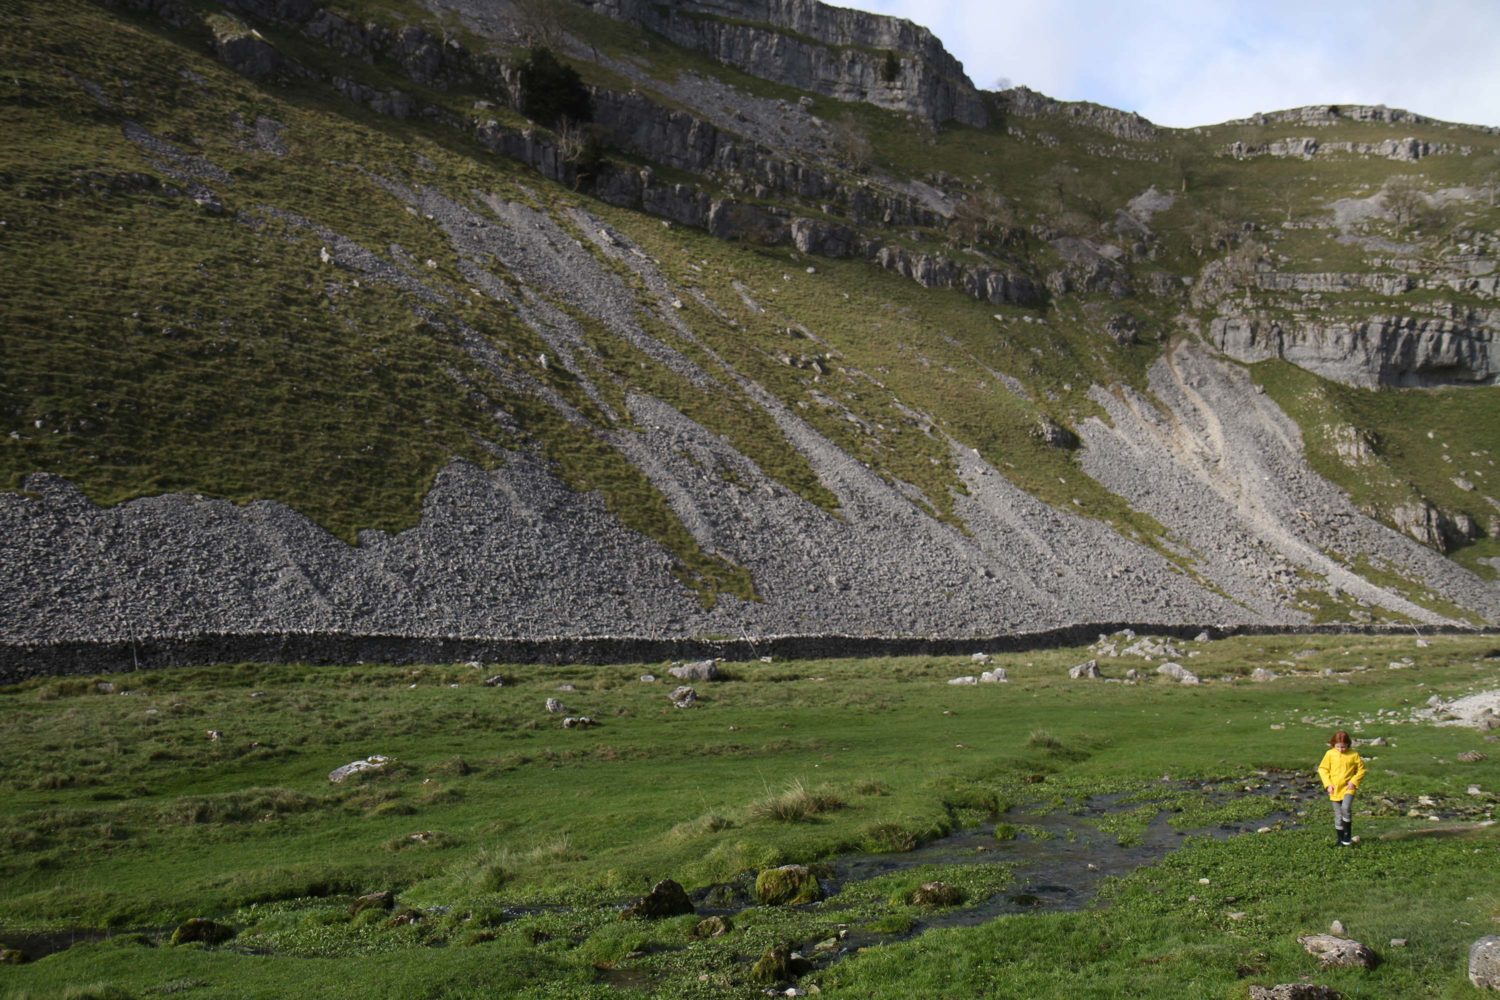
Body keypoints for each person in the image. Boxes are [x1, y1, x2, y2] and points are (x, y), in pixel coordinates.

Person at [1317, 730, 1367, 847]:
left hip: (1348, 788)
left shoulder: (1353, 754)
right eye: (1338, 747)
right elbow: (1323, 769)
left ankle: (1347, 836)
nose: (1340, 749)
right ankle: (1340, 840)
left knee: (1346, 808)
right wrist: (1328, 784)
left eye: (1343, 747)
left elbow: (1362, 770)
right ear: (1333, 744)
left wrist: (1354, 781)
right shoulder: (1329, 754)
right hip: (1334, 789)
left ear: (1348, 744)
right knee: (1338, 815)